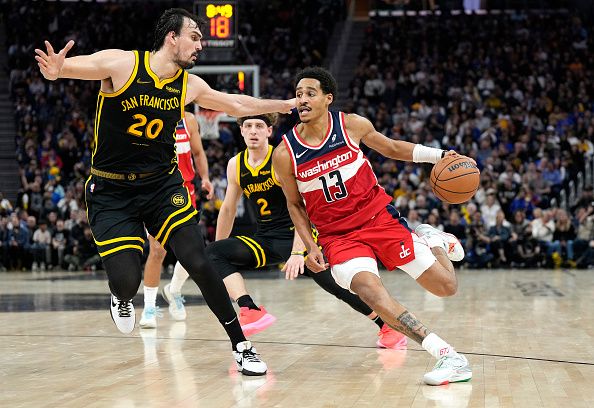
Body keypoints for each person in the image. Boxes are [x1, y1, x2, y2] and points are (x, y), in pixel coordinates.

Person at [35, 8, 294, 376]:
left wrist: (283, 106)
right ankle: (122, 297)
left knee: (199, 260)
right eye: (195, 36)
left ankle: (242, 345)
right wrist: (59, 69)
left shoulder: (189, 85)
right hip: (111, 190)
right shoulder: (123, 64)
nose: (200, 45)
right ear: (172, 37)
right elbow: (83, 66)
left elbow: (238, 104)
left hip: (161, 186)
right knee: (127, 281)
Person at [272, 67, 472, 386]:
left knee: (446, 287)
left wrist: (439, 156)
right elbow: (294, 204)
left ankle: (435, 239)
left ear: (328, 98)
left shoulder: (351, 125)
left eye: (310, 93)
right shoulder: (285, 153)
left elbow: (392, 148)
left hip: (378, 218)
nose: (302, 100)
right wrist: (310, 247)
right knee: (372, 294)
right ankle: (448, 355)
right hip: (338, 237)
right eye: (298, 94)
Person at [163, 113, 407, 348]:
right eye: (248, 127)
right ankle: (250, 309)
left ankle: (387, 326)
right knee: (213, 252)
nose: (253, 131)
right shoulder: (235, 164)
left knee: (338, 287)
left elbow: (301, 207)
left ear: (269, 131)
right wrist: (219, 254)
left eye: (259, 126)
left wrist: (297, 253)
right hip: (266, 239)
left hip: (299, 236)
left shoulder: (281, 158)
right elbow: (227, 209)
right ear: (241, 131)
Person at [139, 109, 214, 328]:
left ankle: (174, 290)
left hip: (185, 190)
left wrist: (206, 178)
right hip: (156, 191)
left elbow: (198, 153)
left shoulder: (189, 120)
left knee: (190, 250)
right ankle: (149, 308)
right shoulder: (147, 116)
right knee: (158, 249)